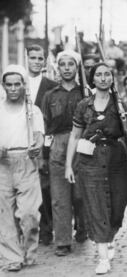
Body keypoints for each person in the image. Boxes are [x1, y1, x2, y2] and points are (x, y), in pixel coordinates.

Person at [65, 62, 127, 275]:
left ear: (112, 79)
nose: (104, 78)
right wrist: (69, 165)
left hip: (117, 157)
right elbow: (75, 135)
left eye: (108, 74)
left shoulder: (120, 104)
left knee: (118, 204)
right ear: (93, 79)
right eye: (99, 75)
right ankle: (103, 256)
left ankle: (110, 235)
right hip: (90, 159)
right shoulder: (83, 105)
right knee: (96, 205)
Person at [42, 50, 86, 256]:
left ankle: (83, 226)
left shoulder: (85, 93)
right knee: (59, 197)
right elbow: (44, 126)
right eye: (63, 64)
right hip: (58, 146)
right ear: (57, 68)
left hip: (83, 145)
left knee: (80, 195)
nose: (67, 68)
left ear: (77, 68)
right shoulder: (50, 95)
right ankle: (62, 241)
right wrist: (44, 154)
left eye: (71, 64)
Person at [0, 65, 44, 271]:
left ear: (23, 85)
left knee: (29, 214)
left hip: (26, 161)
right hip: (3, 164)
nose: (13, 88)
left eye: (17, 84)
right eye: (9, 85)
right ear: (3, 86)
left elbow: (39, 135)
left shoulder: (32, 110)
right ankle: (11, 258)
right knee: (5, 215)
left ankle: (28, 252)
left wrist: (37, 145)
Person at [26, 44, 58, 246]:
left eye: (40, 58)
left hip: (44, 142)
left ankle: (46, 230)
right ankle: (26, 231)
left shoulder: (51, 85)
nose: (37, 62)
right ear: (26, 58)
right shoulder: (18, 82)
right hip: (21, 141)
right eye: (33, 58)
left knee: (45, 188)